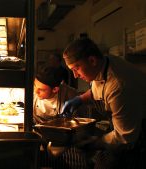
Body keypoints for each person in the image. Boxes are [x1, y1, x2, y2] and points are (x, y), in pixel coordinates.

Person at [61, 38, 146, 168]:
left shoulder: (119, 85)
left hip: (137, 137)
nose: (75, 76)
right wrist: (80, 99)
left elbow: (125, 136)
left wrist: (95, 143)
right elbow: (98, 89)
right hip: (123, 129)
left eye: (76, 69)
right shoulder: (102, 64)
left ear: (92, 60)